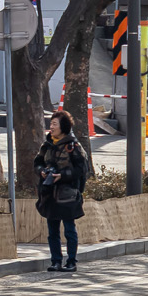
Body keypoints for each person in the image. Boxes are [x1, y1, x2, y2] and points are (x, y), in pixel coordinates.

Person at [34, 109, 92, 272]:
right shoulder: (46, 145)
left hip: (67, 195)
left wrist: (63, 175)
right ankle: (56, 261)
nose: (51, 127)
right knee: (52, 231)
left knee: (69, 229)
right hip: (49, 194)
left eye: (54, 124)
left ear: (63, 126)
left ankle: (71, 261)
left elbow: (82, 169)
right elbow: (37, 162)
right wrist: (42, 171)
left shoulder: (73, 146)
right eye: (50, 123)